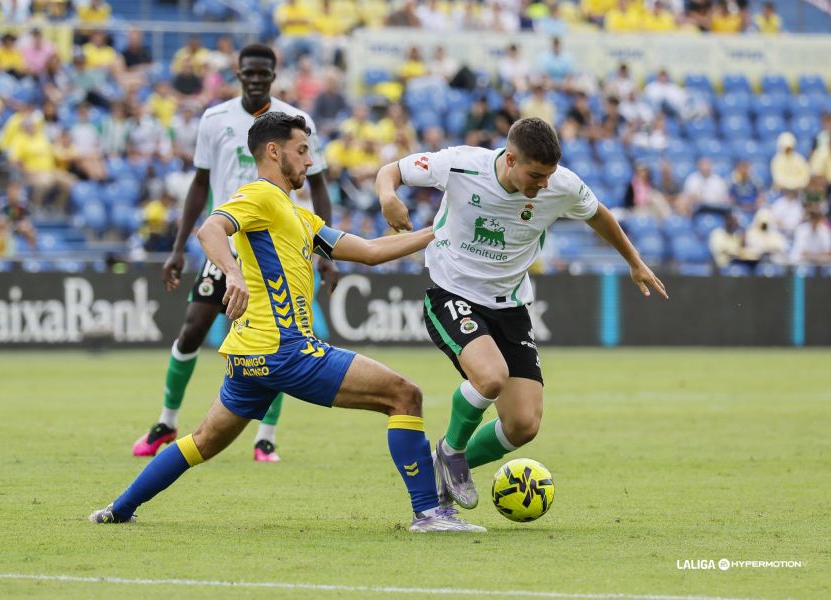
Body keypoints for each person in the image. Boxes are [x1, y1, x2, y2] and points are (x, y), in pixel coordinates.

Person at [90, 112, 484, 533]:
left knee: (202, 441)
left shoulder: (300, 218)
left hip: (250, 358)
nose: (310, 161)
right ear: (274, 152)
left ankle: (119, 508)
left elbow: (368, 250)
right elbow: (210, 229)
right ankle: (429, 514)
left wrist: (436, 233)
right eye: (302, 150)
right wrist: (233, 273)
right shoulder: (260, 195)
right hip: (285, 349)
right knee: (404, 396)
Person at [375, 117, 667, 511]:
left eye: (548, 176)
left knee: (523, 424)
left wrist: (634, 261)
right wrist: (387, 196)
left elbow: (598, 213)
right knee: (490, 376)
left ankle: (439, 473)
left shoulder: (561, 184)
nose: (543, 185)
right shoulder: (462, 164)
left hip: (510, 305)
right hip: (452, 291)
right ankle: (451, 450)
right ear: (510, 159)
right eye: (535, 175)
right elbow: (391, 171)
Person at [133, 44, 338, 463]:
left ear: (274, 74)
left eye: (264, 72)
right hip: (226, 243)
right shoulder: (215, 119)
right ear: (240, 73)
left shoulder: (294, 123)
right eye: (249, 72)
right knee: (192, 327)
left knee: (283, 336)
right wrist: (177, 247)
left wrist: (326, 253)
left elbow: (318, 187)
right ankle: (167, 421)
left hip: (277, 246)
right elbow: (199, 184)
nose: (256, 78)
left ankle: (265, 437)